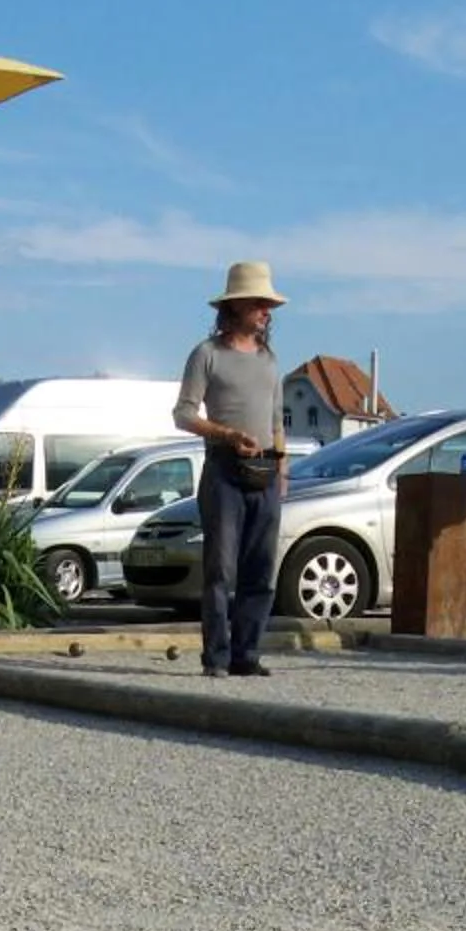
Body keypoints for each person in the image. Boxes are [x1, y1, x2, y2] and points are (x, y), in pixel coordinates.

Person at [174, 260, 288, 678]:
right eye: (259, 303)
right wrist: (226, 434)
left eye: (268, 305)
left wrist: (283, 470)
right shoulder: (207, 354)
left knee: (261, 569)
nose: (266, 311)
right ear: (236, 305)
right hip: (224, 469)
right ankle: (217, 657)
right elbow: (183, 415)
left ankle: (247, 653)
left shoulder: (269, 360)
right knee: (221, 568)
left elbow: (276, 421)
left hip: (266, 471)